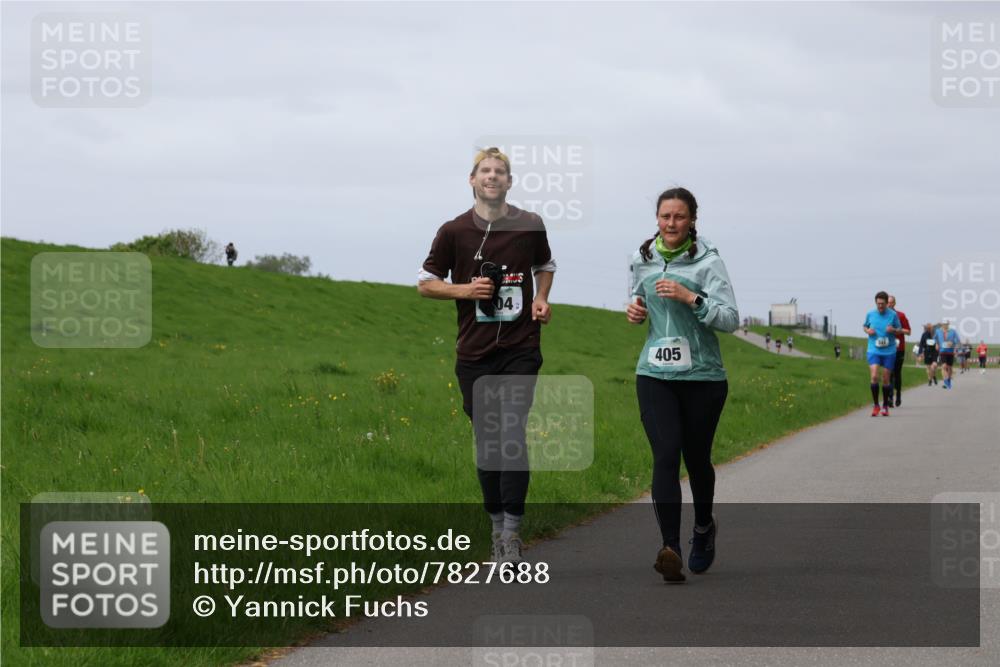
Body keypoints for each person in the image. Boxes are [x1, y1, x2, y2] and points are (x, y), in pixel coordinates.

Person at [418, 147, 556, 564]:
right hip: (474, 354)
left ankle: (512, 535)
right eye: (485, 171)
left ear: (510, 182)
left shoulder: (530, 225)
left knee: (511, 435)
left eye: (500, 172)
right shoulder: (453, 231)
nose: (493, 177)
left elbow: (545, 264)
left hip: (521, 348)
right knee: (488, 442)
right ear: (472, 180)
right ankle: (496, 526)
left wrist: (542, 299)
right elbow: (426, 283)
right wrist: (466, 290)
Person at [626, 187, 739, 583]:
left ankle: (704, 527)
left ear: (692, 220)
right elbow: (637, 305)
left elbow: (730, 319)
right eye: (665, 216)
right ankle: (669, 548)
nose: (671, 223)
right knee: (665, 454)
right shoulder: (641, 260)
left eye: (679, 217)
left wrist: (692, 297)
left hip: (703, 377)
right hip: (654, 374)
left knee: (696, 459)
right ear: (656, 219)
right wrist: (635, 312)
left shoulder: (709, 262)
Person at [863, 291, 901, 416]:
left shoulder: (893, 315)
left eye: (883, 304)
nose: (880, 306)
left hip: (889, 351)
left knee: (885, 378)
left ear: (886, 303)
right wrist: (868, 330)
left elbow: (900, 329)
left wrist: (893, 330)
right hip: (874, 349)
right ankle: (876, 405)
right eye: (878, 303)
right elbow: (864, 326)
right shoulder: (870, 314)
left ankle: (885, 405)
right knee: (874, 376)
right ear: (876, 302)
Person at [886, 295, 911, 407]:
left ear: (894, 303)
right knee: (889, 373)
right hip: (887, 348)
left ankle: (899, 394)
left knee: (897, 373)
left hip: (899, 348)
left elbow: (908, 331)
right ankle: (890, 397)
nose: (889, 304)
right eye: (888, 302)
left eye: (891, 302)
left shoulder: (901, 315)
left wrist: (896, 330)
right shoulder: (882, 316)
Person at [934, 321, 960, 389]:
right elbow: (934, 338)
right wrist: (936, 344)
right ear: (942, 324)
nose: (945, 325)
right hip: (942, 351)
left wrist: (953, 343)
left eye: (946, 324)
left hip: (950, 351)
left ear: (948, 324)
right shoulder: (938, 331)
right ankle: (946, 382)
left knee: (950, 368)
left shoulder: (953, 331)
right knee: (944, 366)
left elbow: (958, 340)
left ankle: (948, 380)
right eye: (944, 324)